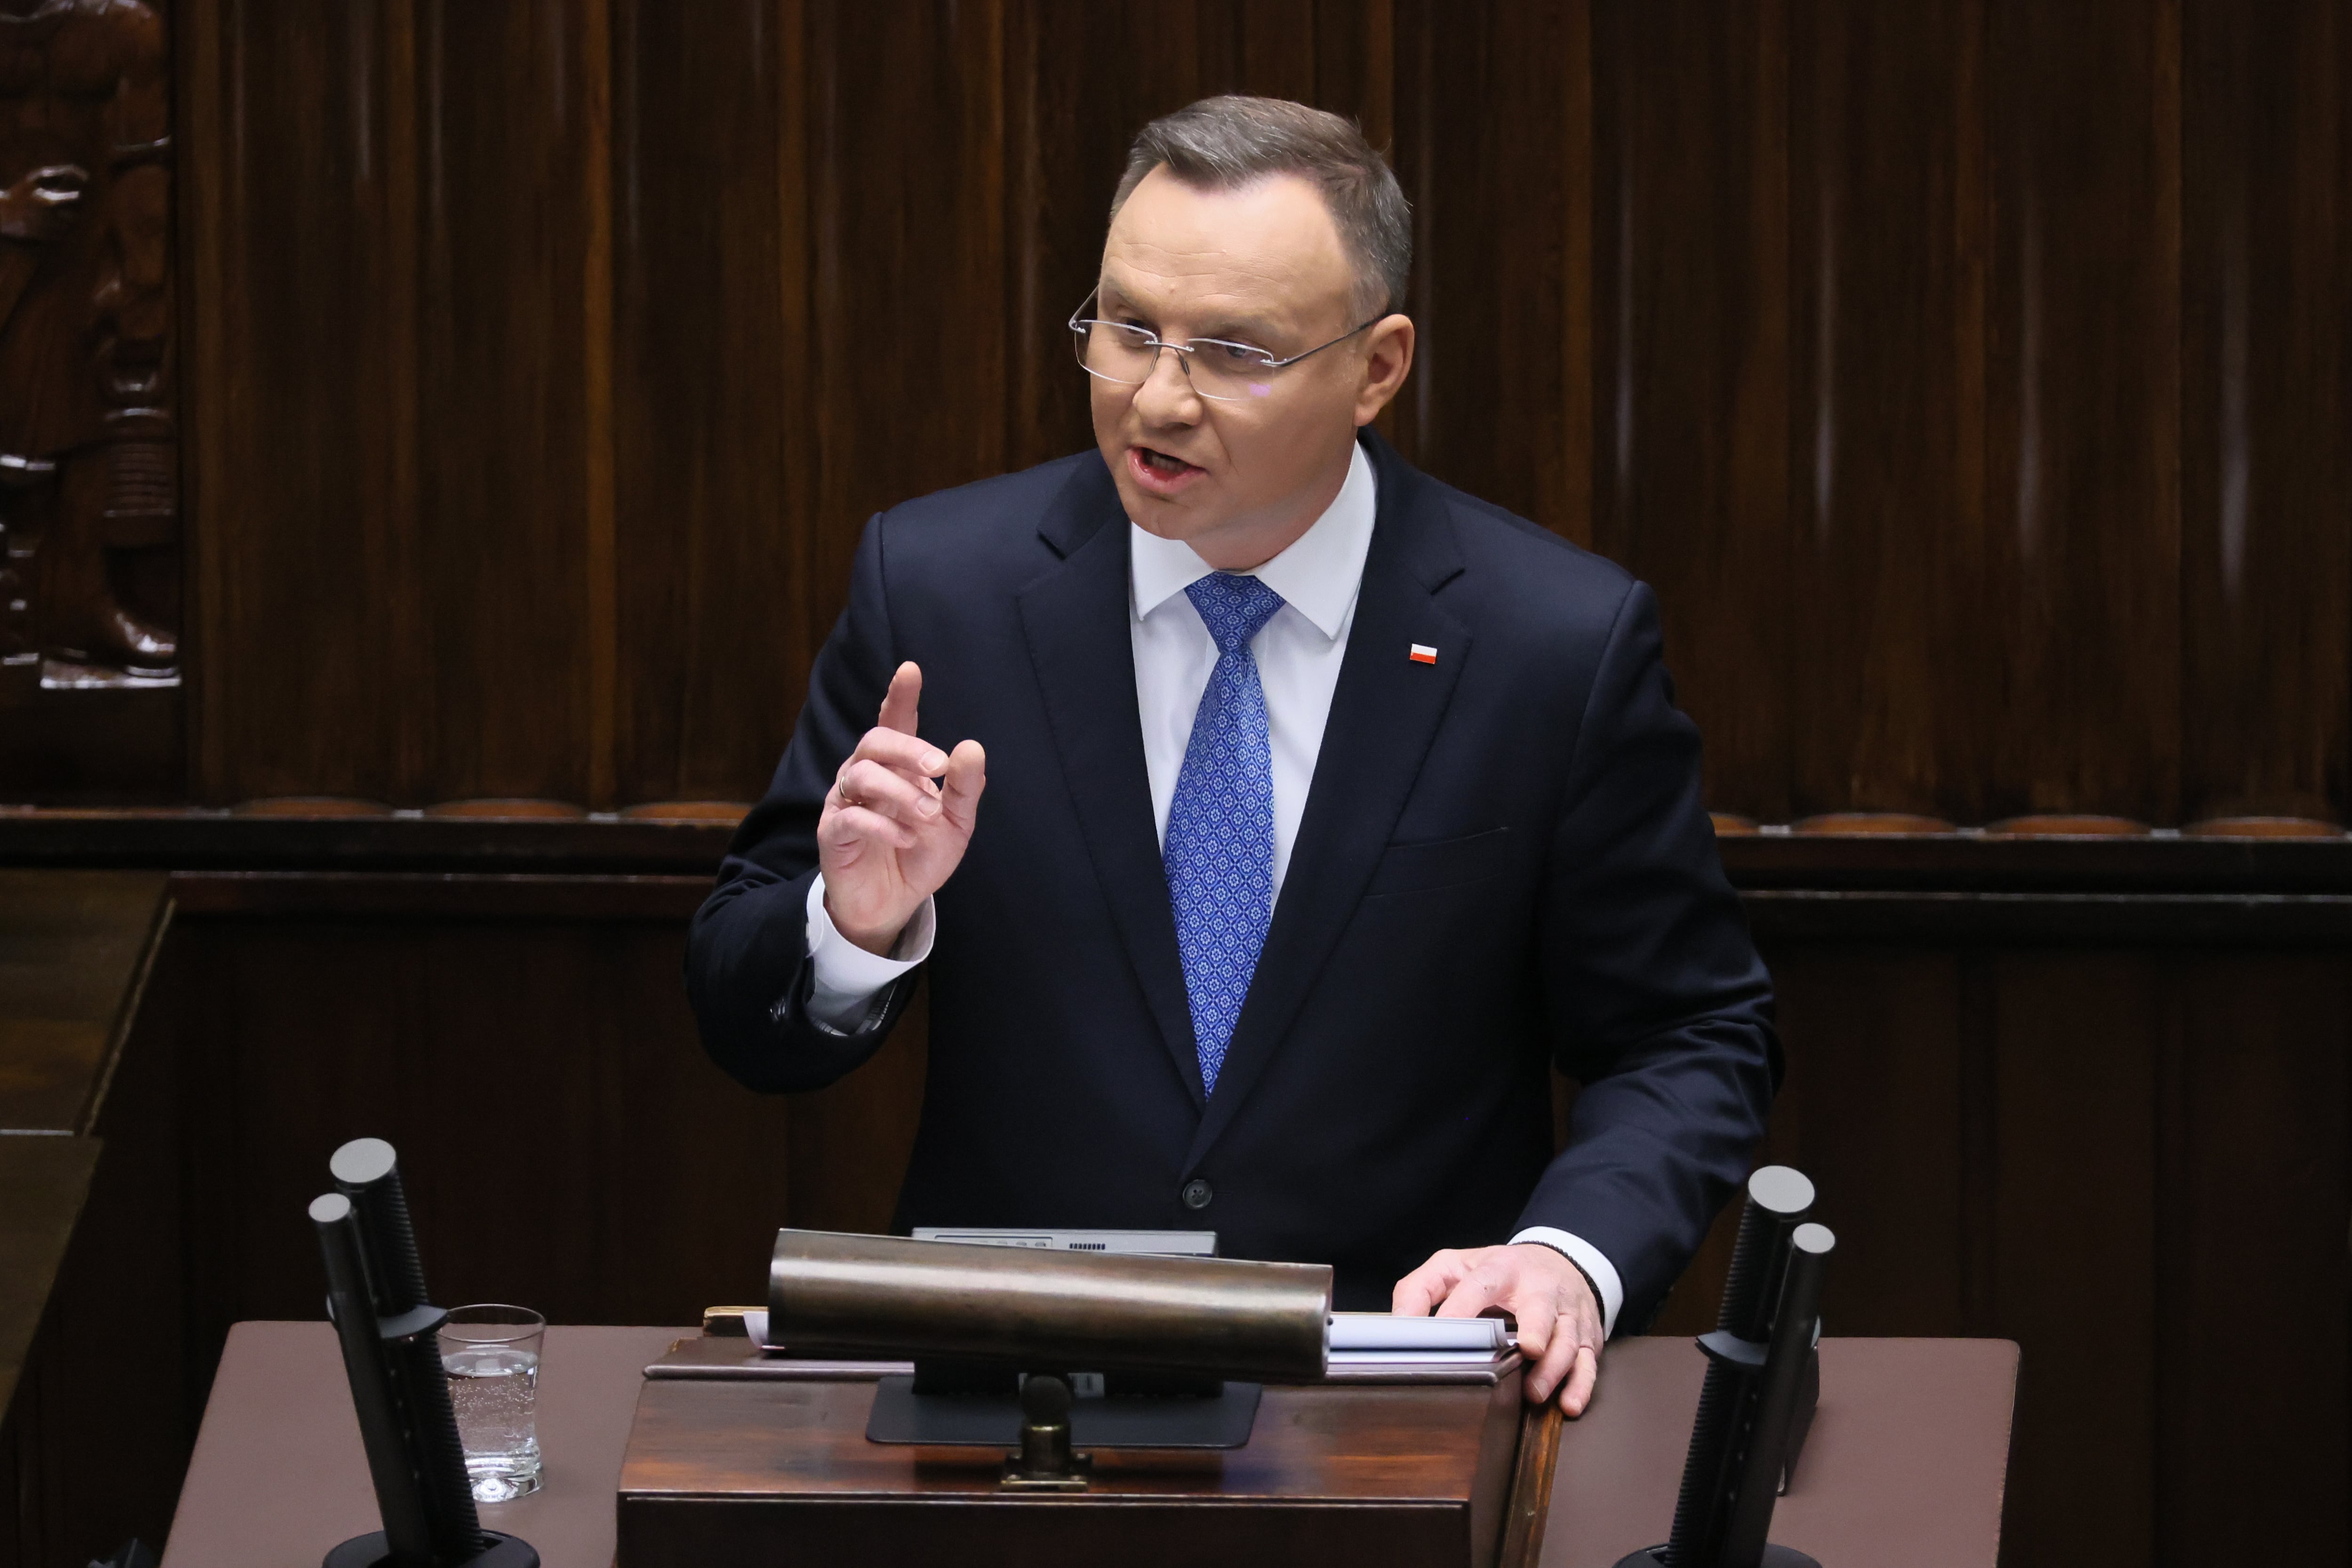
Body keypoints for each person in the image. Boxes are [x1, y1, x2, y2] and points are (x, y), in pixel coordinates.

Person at [688, 96, 1777, 1414]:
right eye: (1128, 328)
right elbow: (745, 1012)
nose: (1158, 395)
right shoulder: (941, 592)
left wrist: (1564, 1259)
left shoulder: (1554, 643)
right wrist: (852, 930)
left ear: (1378, 367)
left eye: (1233, 352)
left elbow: (1688, 1033)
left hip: (1389, 1399)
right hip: (1015, 1413)